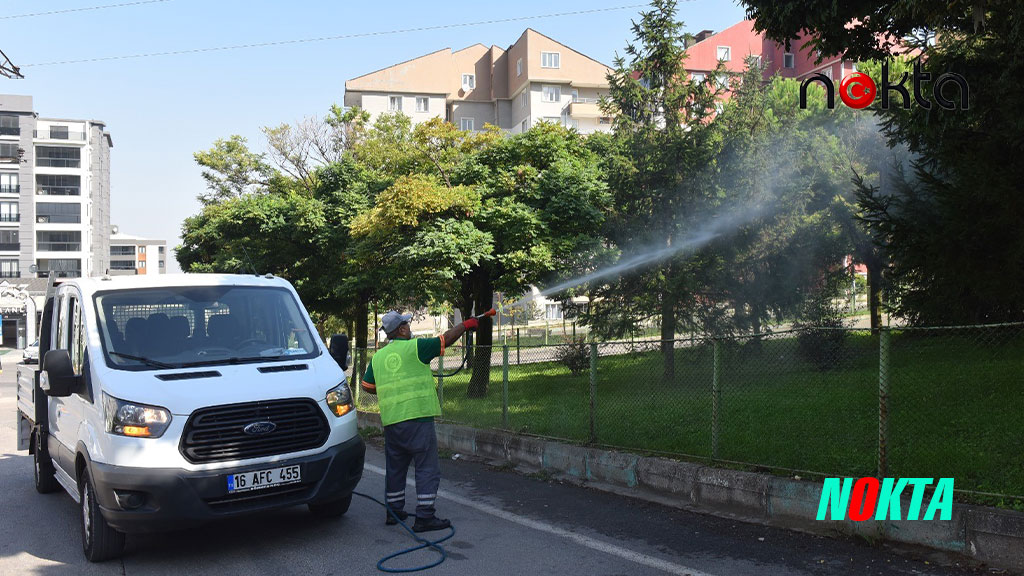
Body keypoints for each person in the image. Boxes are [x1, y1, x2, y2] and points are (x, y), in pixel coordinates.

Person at [361, 310, 478, 532]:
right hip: (417, 418)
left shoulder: (378, 357)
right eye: (407, 324)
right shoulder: (416, 348)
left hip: (392, 421)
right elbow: (446, 339)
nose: (410, 327)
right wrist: (465, 325)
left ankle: (394, 512)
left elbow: (367, 387)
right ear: (402, 330)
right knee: (426, 467)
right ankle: (424, 516)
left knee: (395, 467)